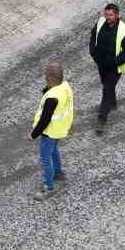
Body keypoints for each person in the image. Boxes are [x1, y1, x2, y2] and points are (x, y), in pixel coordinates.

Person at [88, 3, 125, 134]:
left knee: (107, 88)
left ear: (117, 15)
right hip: (101, 64)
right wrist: (93, 52)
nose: (107, 17)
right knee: (106, 85)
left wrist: (115, 62)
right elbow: (93, 35)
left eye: (110, 15)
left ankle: (101, 119)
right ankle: (112, 102)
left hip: (115, 68)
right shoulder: (100, 23)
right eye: (106, 14)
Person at [29, 62, 74, 201]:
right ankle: (58, 173)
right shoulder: (64, 86)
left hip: (50, 131)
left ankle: (49, 186)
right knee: (54, 151)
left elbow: (45, 120)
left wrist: (33, 134)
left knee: (45, 158)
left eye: (46, 77)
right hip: (60, 128)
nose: (44, 79)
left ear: (50, 78)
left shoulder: (52, 99)